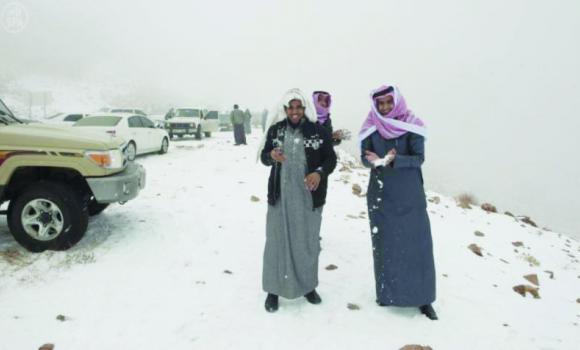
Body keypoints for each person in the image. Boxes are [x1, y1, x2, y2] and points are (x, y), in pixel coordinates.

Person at [359, 84, 438, 320]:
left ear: (396, 102)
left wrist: (395, 160)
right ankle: (387, 294)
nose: (384, 107)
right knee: (386, 244)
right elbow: (365, 156)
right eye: (380, 103)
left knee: (417, 245)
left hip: (409, 193)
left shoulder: (411, 124)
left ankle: (423, 299)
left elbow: (419, 158)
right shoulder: (371, 127)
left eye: (388, 102)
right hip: (382, 194)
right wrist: (373, 161)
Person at [259, 88, 337, 313]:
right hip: (280, 195)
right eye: (290, 108)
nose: (294, 111)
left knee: (307, 242)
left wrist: (319, 173)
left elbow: (330, 159)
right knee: (276, 241)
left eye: (298, 107)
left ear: (304, 109)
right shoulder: (275, 130)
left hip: (307, 197)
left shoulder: (318, 131)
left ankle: (308, 287)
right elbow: (264, 157)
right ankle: (273, 291)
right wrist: (271, 156)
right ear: (285, 110)